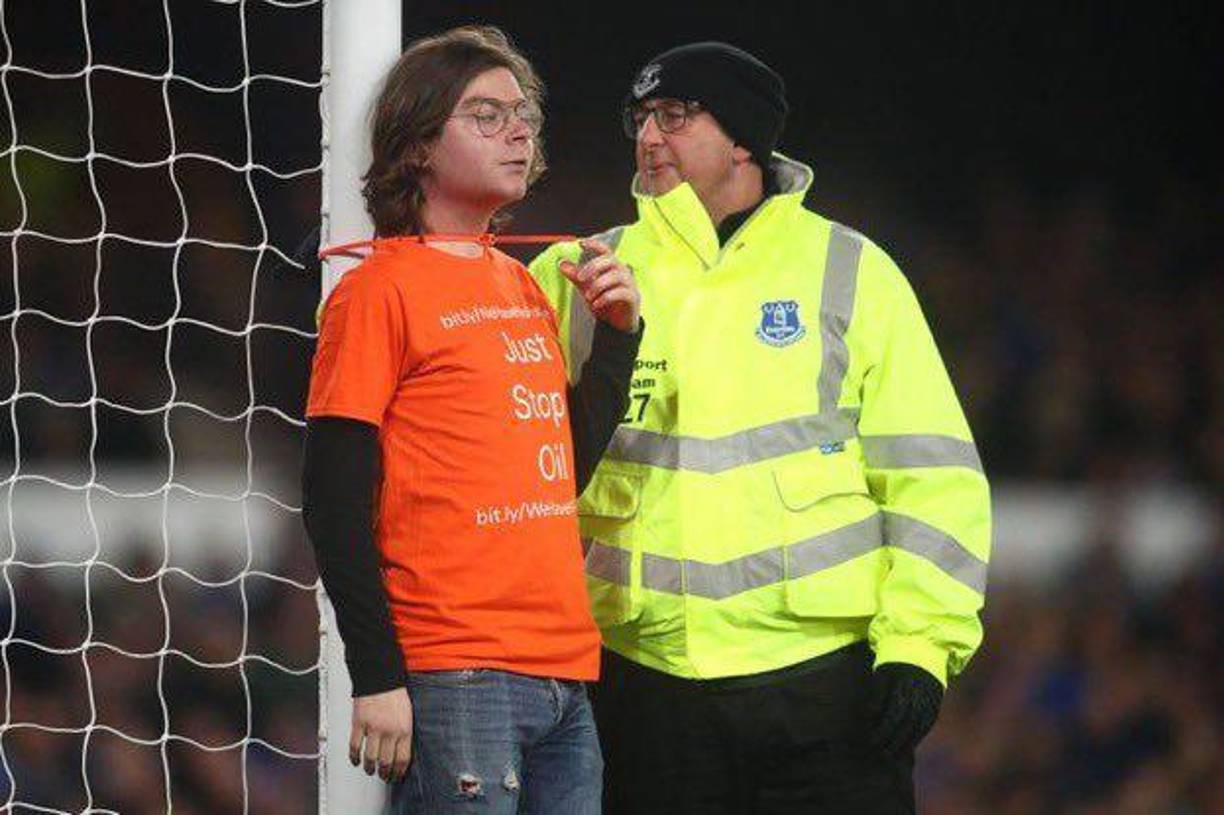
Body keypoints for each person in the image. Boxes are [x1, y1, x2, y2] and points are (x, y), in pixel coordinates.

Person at [529, 42, 991, 813]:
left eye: (675, 115)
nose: (649, 136)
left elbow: (932, 475)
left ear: (743, 139)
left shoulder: (853, 269)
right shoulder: (580, 270)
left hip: (826, 690)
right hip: (640, 686)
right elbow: (487, 421)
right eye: (640, 118)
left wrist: (920, 644)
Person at [301, 26, 642, 814]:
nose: (519, 131)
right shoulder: (376, 292)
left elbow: (562, 468)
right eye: (487, 115)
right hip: (454, 671)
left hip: (562, 667)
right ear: (419, 143)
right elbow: (330, 500)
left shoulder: (520, 286)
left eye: (523, 115)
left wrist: (618, 341)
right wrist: (377, 675)